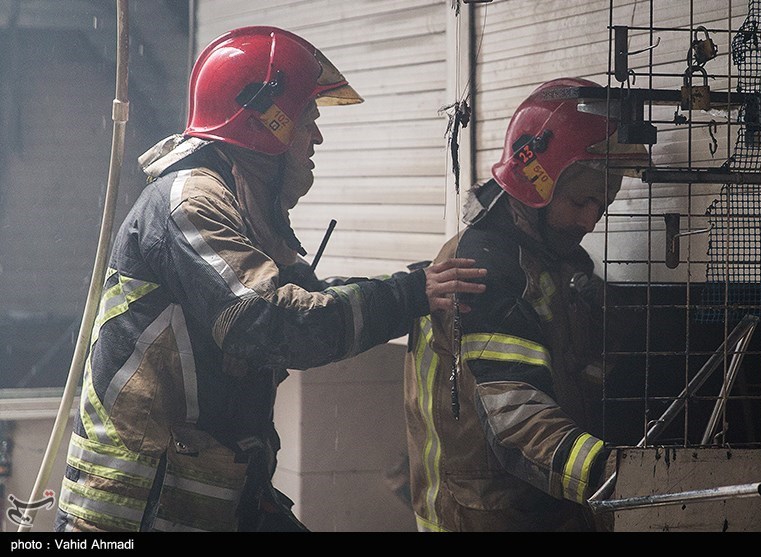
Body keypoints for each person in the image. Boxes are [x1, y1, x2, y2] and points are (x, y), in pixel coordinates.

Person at [53, 25, 486, 533]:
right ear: (266, 124)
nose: (317, 138)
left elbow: (305, 301)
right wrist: (407, 295)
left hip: (204, 504)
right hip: (131, 517)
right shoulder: (191, 204)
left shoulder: (242, 207)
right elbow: (271, 322)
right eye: (308, 120)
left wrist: (416, 286)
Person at [403, 77, 650, 532]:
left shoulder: (554, 258)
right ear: (537, 180)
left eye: (602, 204)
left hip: (539, 508)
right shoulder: (482, 271)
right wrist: (613, 475)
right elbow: (517, 419)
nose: (591, 221)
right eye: (580, 200)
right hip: (481, 517)